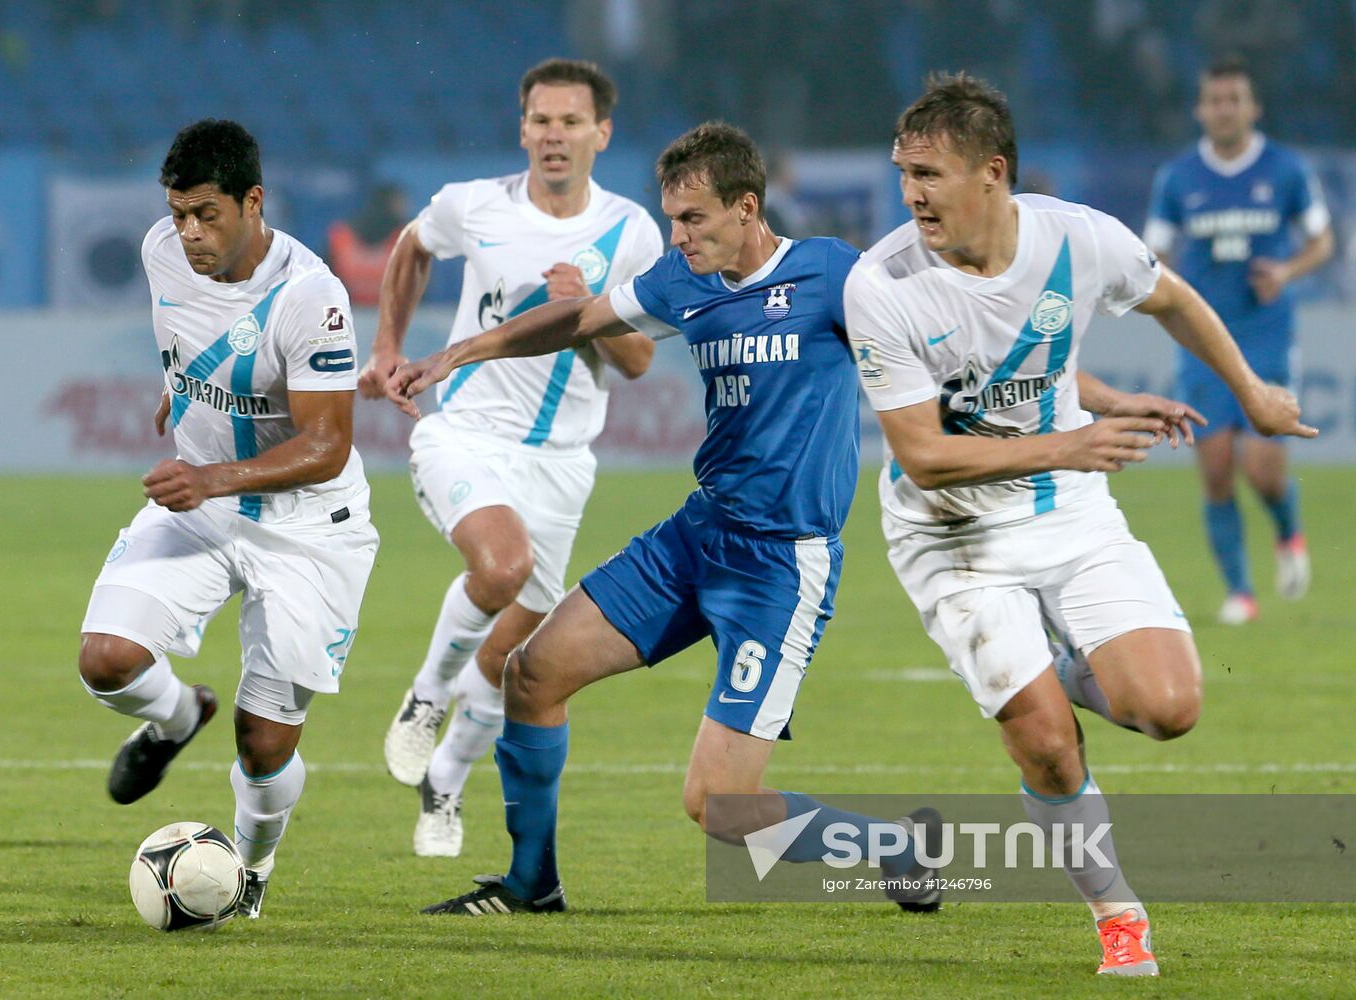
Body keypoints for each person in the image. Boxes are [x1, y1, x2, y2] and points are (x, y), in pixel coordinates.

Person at [386, 121, 942, 917]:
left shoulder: (832, 275)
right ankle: (530, 884)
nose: (676, 237)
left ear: (747, 207)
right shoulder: (682, 281)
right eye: (671, 219)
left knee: (718, 806)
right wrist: (462, 352)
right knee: (533, 676)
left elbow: (929, 340)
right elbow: (578, 321)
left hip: (781, 569)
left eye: (693, 220)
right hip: (696, 537)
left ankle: (891, 846)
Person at [844, 73, 1315, 977]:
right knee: (1049, 746)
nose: (912, 194)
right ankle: (1117, 913)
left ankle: (1055, 668)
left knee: (1170, 709)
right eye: (904, 172)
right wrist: (1073, 439)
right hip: (953, 537)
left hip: (1068, 511)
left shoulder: (1079, 238)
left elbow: (1171, 296)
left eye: (930, 174)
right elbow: (926, 454)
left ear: (993, 173)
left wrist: (1251, 394)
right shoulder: (886, 283)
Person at [357, 58, 663, 858]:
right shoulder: (475, 207)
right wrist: (386, 346)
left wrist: (589, 307)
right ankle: (425, 698)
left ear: (602, 133)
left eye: (570, 121)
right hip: (467, 435)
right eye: (540, 120)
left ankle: (445, 786)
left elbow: (638, 362)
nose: (553, 135)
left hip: (563, 465)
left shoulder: (632, 232)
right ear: (521, 127)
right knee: (499, 568)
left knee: (511, 661)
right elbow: (412, 247)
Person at [77, 119, 378, 920]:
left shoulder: (310, 296)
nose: (189, 233)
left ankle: (249, 868)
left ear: (253, 201)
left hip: (307, 526)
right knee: (106, 660)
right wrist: (179, 389)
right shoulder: (160, 252)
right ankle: (176, 718)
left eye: (207, 214)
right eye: (177, 212)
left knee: (266, 742)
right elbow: (189, 339)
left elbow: (328, 443)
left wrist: (208, 472)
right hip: (203, 510)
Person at [1144, 55, 1333, 625]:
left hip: (1265, 335)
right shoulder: (1177, 178)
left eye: (1234, 99)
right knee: (1218, 466)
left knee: (1263, 468)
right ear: (1201, 109)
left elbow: (1321, 241)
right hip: (1202, 340)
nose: (1224, 109)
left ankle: (1288, 531)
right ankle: (1240, 592)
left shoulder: (1286, 170)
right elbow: (1154, 254)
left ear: (1252, 107)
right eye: (1214, 100)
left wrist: (1287, 272)